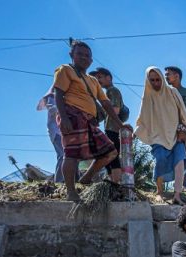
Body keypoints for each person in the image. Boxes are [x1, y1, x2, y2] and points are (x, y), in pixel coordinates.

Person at [52, 40, 129, 201]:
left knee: (110, 152)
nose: (84, 58)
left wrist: (121, 125)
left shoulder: (93, 81)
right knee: (71, 154)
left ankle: (86, 178)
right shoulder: (65, 70)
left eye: (87, 56)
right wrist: (64, 117)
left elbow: (106, 103)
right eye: (80, 54)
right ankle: (71, 192)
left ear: (91, 60)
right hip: (72, 115)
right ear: (71, 55)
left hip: (89, 121)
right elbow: (58, 94)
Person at [134, 67, 186, 204]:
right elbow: (143, 119)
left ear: (162, 79)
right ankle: (159, 192)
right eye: (152, 80)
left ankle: (177, 194)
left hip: (175, 135)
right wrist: (134, 134)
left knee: (180, 162)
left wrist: (183, 130)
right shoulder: (147, 97)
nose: (156, 83)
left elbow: (184, 114)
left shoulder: (172, 92)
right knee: (160, 160)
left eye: (158, 79)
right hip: (157, 136)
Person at [165, 66, 186, 189]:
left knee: (185, 157)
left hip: (185, 131)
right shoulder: (166, 93)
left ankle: (183, 185)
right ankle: (168, 186)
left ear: (177, 76)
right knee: (168, 156)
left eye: (168, 74)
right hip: (169, 131)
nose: (166, 77)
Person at [89, 67, 125, 184]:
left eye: (100, 77)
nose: (98, 80)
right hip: (110, 128)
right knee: (108, 157)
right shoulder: (107, 92)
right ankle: (112, 182)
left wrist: (101, 109)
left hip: (113, 129)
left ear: (108, 77)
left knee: (112, 157)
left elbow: (115, 110)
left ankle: (116, 183)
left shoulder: (112, 91)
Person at [36, 87, 64, 183]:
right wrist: (66, 108)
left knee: (70, 156)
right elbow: (52, 109)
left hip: (64, 131)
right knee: (63, 155)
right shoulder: (52, 96)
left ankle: (72, 180)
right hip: (56, 131)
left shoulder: (63, 96)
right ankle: (59, 181)